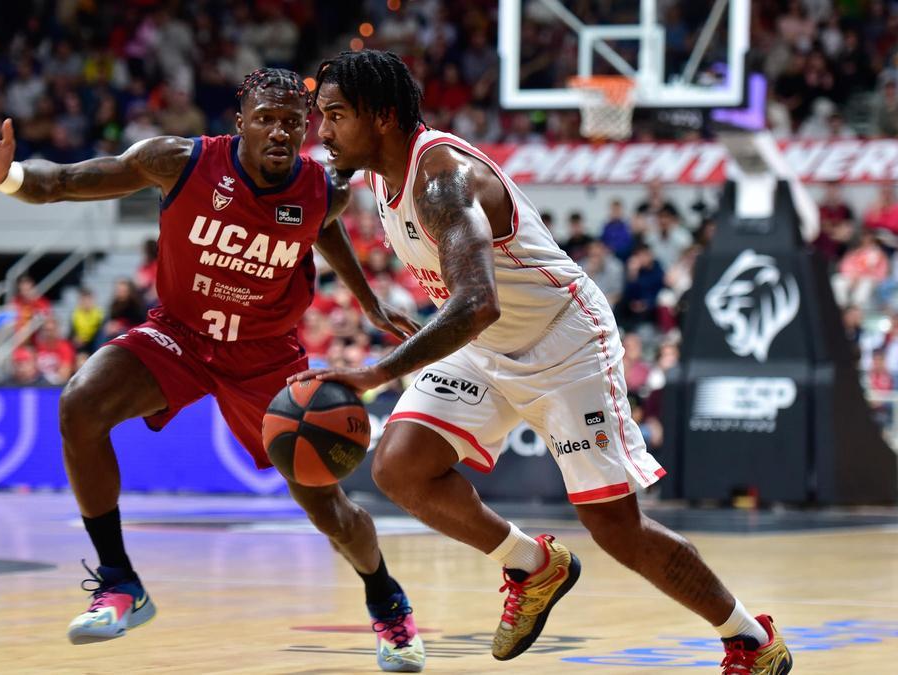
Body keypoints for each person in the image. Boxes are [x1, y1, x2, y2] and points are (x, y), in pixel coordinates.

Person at [300, 49, 792, 675]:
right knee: (398, 467)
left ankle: (750, 638)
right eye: (322, 116)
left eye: (336, 115)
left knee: (616, 528)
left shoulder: (444, 179)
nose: (324, 130)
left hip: (564, 345)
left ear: (385, 117)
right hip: (483, 349)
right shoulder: (373, 170)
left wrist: (375, 372)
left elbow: (476, 303)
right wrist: (367, 301)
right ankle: (533, 565)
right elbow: (313, 212)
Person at [0, 67, 427, 672]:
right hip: (180, 334)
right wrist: (7, 177)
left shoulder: (325, 188)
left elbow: (321, 228)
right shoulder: (176, 161)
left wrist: (367, 298)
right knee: (79, 403)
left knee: (328, 509)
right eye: (267, 120)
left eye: (292, 123)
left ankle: (387, 601)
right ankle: (120, 584)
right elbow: (61, 182)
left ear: (305, 129)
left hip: (264, 355)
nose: (280, 132)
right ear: (240, 122)